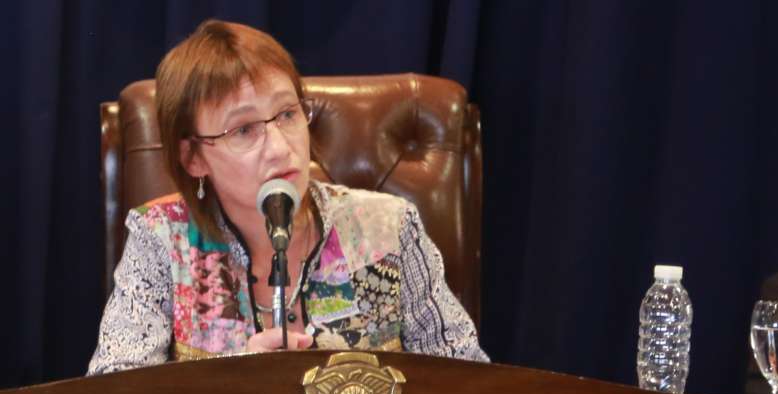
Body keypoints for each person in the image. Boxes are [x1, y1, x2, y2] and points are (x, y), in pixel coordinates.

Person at [88, 20, 488, 375]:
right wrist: (228, 386)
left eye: (287, 115)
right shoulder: (162, 239)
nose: (280, 148)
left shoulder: (387, 229)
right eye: (243, 130)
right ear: (194, 157)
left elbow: (467, 384)